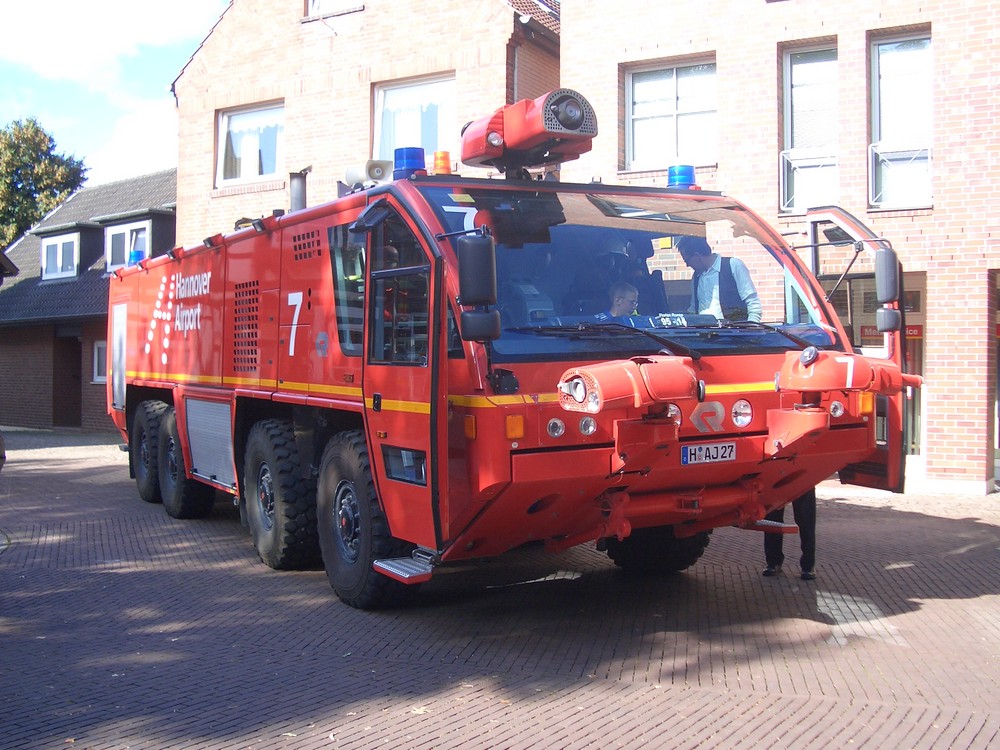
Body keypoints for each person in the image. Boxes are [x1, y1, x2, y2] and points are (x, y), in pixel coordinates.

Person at [677, 236, 762, 322]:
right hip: (704, 333)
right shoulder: (696, 277)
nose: (687, 265)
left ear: (697, 255)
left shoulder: (733, 265)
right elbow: (694, 309)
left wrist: (751, 328)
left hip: (733, 332)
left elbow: (753, 304)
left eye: (687, 261)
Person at [762, 489, 817, 580]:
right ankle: (773, 562)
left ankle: (808, 564)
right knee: (772, 519)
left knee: (806, 519)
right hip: (775, 478)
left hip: (804, 478)